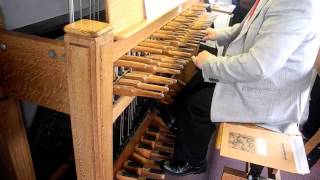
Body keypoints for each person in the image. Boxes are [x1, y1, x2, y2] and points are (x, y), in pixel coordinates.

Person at [160, 0, 320, 176]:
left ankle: (193, 161)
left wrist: (210, 64)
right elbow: (246, 27)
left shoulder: (297, 5)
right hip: (263, 79)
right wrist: (217, 34)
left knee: (196, 106)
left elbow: (259, 66)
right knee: (202, 76)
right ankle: (176, 119)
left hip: (270, 96)